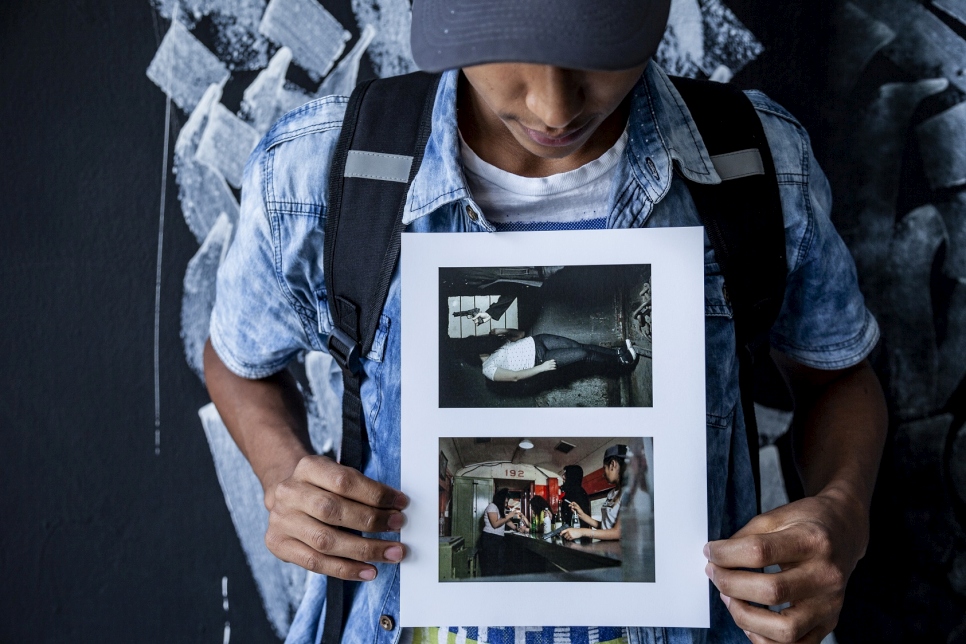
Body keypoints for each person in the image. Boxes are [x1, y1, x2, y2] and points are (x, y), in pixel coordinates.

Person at [203, 0, 888, 642]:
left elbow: (836, 378)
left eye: (598, 45)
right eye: (511, 48)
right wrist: (283, 475)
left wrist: (846, 513)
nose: (554, 106)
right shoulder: (315, 174)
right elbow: (236, 363)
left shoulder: (758, 164)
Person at [482, 334, 638, 382]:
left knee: (580, 346)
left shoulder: (493, 346)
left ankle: (617, 353)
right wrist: (541, 368)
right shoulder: (487, 369)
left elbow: (520, 334)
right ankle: (622, 363)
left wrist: (500, 331)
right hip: (540, 360)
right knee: (583, 355)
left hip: (537, 341)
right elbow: (515, 377)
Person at [561, 445, 630, 542]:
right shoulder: (611, 494)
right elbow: (604, 526)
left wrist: (582, 532)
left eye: (604, 468)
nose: (603, 473)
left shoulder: (630, 493)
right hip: (607, 547)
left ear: (613, 464)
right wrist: (582, 515)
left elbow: (618, 532)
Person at [479, 488, 523, 577]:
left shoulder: (498, 508)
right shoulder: (492, 506)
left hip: (497, 538)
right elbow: (495, 524)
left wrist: (516, 528)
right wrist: (509, 516)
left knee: (499, 563)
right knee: (491, 566)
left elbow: (505, 521)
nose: (506, 504)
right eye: (505, 502)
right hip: (490, 538)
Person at [558, 464, 592, 530]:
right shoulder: (570, 493)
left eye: (565, 474)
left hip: (578, 534)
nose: (563, 477)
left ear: (572, 476)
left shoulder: (578, 494)